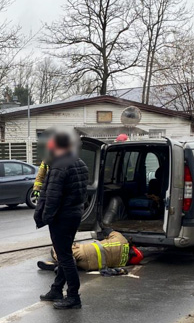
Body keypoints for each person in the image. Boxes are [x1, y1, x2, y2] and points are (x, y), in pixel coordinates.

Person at [34, 131, 89, 309]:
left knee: (65, 256)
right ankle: (57, 289)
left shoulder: (59, 166)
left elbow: (52, 196)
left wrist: (46, 217)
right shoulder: (80, 163)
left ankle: (73, 296)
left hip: (62, 217)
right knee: (64, 253)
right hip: (73, 214)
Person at [37, 231, 144, 272]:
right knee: (75, 263)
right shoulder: (124, 262)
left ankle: (61, 263)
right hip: (90, 266)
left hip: (86, 251)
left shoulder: (121, 239)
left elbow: (109, 231)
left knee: (57, 249)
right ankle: (60, 264)